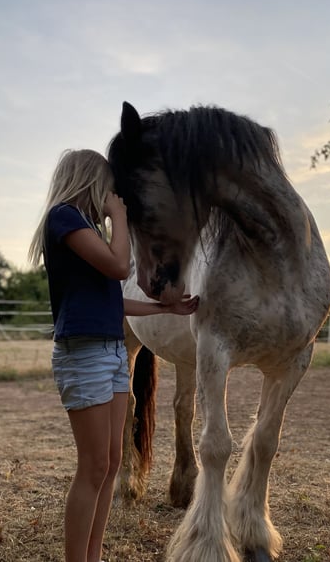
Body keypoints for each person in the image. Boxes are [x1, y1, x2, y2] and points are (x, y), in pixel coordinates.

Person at [28, 149, 199, 562]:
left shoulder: (87, 230)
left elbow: (114, 300)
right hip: (83, 353)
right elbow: (121, 268)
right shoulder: (63, 218)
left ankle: (93, 555)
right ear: (91, 181)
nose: (114, 197)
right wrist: (119, 218)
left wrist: (164, 309)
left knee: (110, 461)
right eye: (110, 188)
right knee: (92, 467)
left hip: (111, 353)